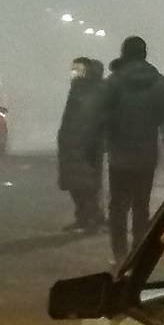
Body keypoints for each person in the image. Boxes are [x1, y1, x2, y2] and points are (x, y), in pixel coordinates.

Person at [84, 35, 164, 262]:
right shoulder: (159, 82)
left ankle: (119, 255)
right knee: (141, 205)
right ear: (145, 54)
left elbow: (98, 118)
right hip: (147, 153)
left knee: (118, 206)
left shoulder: (114, 82)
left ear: (124, 54)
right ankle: (138, 252)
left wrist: (92, 148)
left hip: (120, 154)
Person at [57, 57, 106, 232]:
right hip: (75, 141)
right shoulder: (79, 87)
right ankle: (87, 217)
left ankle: (91, 218)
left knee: (86, 184)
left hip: (87, 143)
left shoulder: (96, 89)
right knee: (78, 183)